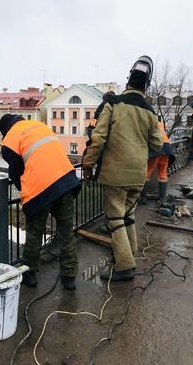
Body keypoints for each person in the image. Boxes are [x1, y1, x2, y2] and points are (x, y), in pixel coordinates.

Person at [82, 55, 163, 281]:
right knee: (128, 215)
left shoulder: (113, 104)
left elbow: (98, 139)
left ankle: (124, 267)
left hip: (115, 174)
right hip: (138, 174)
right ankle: (130, 254)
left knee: (115, 218)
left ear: (127, 82)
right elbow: (157, 143)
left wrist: (87, 165)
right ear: (146, 87)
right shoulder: (149, 111)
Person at [0, 114, 81, 290]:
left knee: (35, 232)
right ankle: (69, 276)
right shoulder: (39, 126)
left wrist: (26, 190)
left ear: (5, 130)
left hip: (41, 188)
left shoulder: (10, 138)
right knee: (66, 231)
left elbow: (15, 172)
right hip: (66, 180)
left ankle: (30, 273)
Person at [139, 118, 175, 206]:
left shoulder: (146, 121)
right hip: (167, 149)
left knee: (146, 173)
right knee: (162, 174)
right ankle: (162, 199)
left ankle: (143, 198)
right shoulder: (160, 123)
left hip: (156, 148)